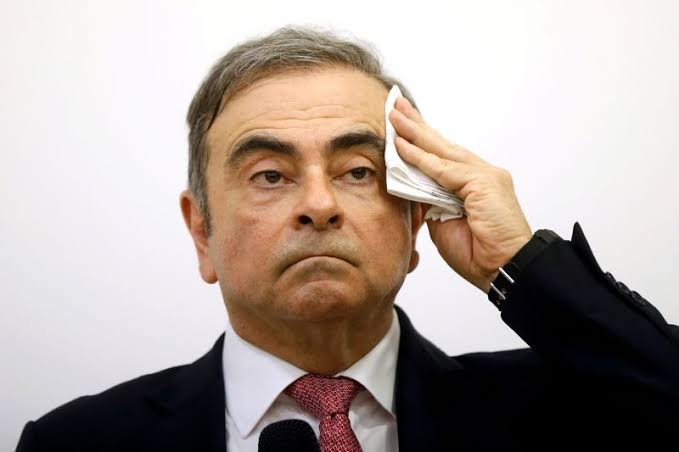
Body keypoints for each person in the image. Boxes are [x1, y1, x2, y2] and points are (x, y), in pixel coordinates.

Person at [16, 25, 679, 452]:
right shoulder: (75, 442)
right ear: (201, 231)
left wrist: (519, 264)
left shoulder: (567, 409)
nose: (318, 205)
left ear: (415, 220)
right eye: (270, 175)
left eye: (358, 171)